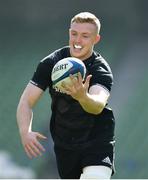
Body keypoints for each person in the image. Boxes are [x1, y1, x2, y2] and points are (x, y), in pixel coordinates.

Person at [17, 12, 115, 179]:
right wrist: (25, 131)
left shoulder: (100, 70)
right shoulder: (51, 62)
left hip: (97, 141)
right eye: (74, 34)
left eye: (85, 36)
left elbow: (98, 106)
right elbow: (26, 101)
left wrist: (82, 96)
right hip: (65, 144)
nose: (77, 40)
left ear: (96, 39)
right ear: (69, 32)